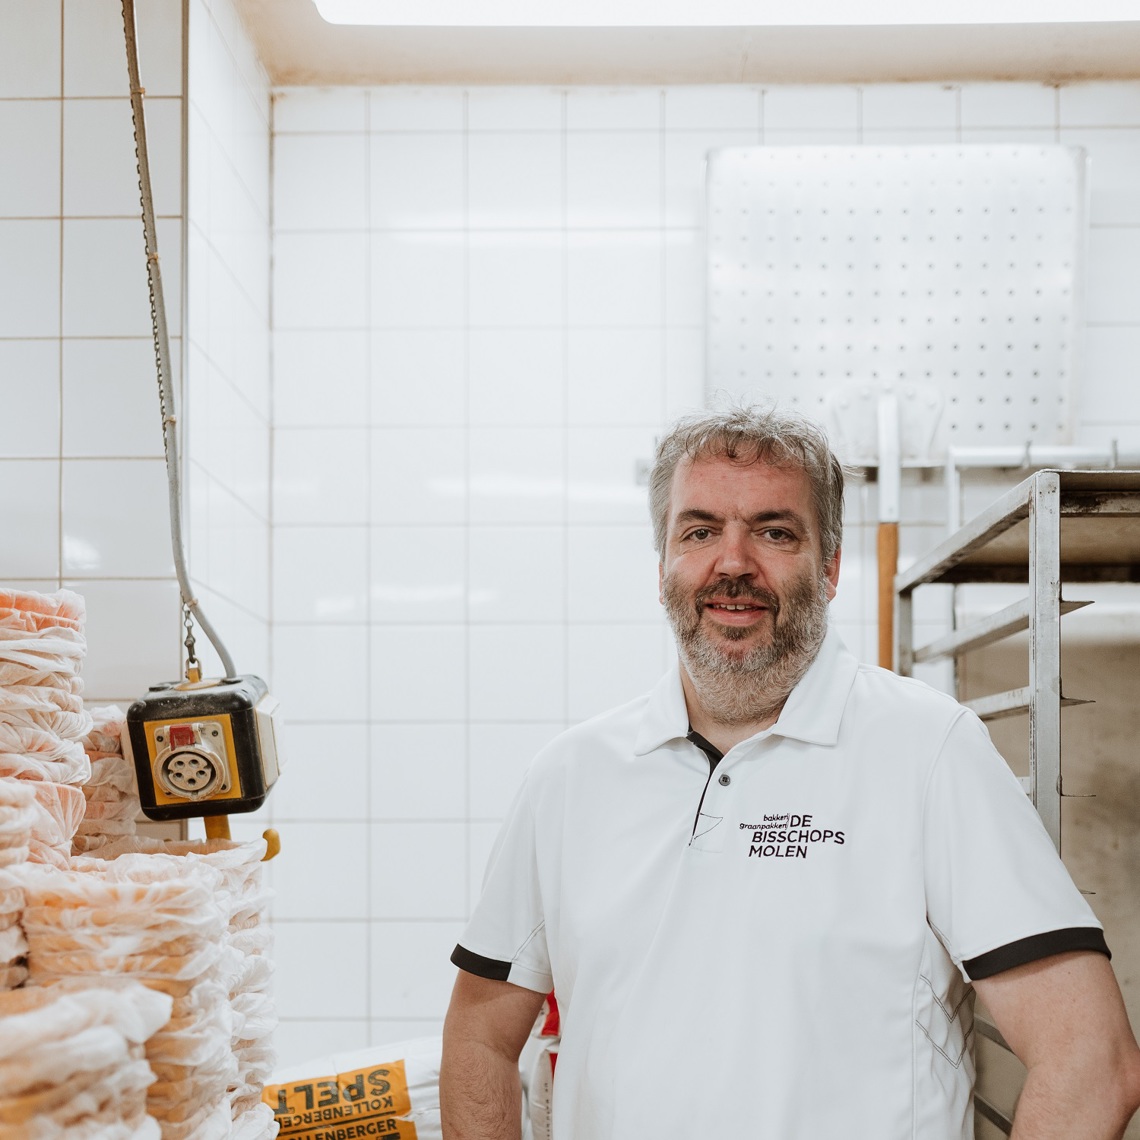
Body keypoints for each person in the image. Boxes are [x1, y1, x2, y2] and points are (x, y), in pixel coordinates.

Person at [440, 404, 1140, 1139]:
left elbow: (1090, 1058)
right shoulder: (568, 779)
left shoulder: (929, 751)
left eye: (775, 532)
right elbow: (479, 1037)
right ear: (663, 569)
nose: (734, 563)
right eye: (700, 530)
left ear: (830, 567)